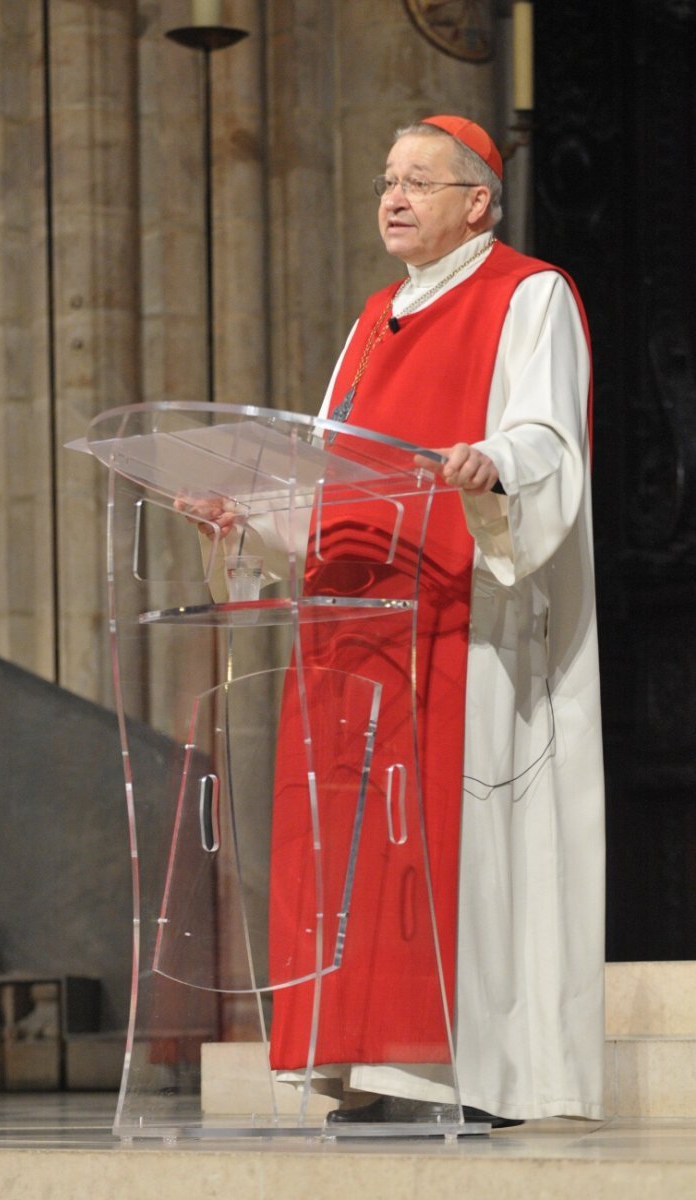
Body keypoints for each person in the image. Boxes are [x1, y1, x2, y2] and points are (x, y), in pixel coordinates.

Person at [192, 114, 604, 1127]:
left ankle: (468, 1076)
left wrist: (490, 463)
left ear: (478, 201)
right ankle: (372, 1067)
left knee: (445, 841)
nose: (393, 194)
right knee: (357, 848)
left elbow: (545, 431)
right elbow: (335, 474)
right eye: (386, 178)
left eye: (419, 179)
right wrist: (253, 517)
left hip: (459, 613)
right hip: (354, 627)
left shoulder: (526, 291)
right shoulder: (375, 316)